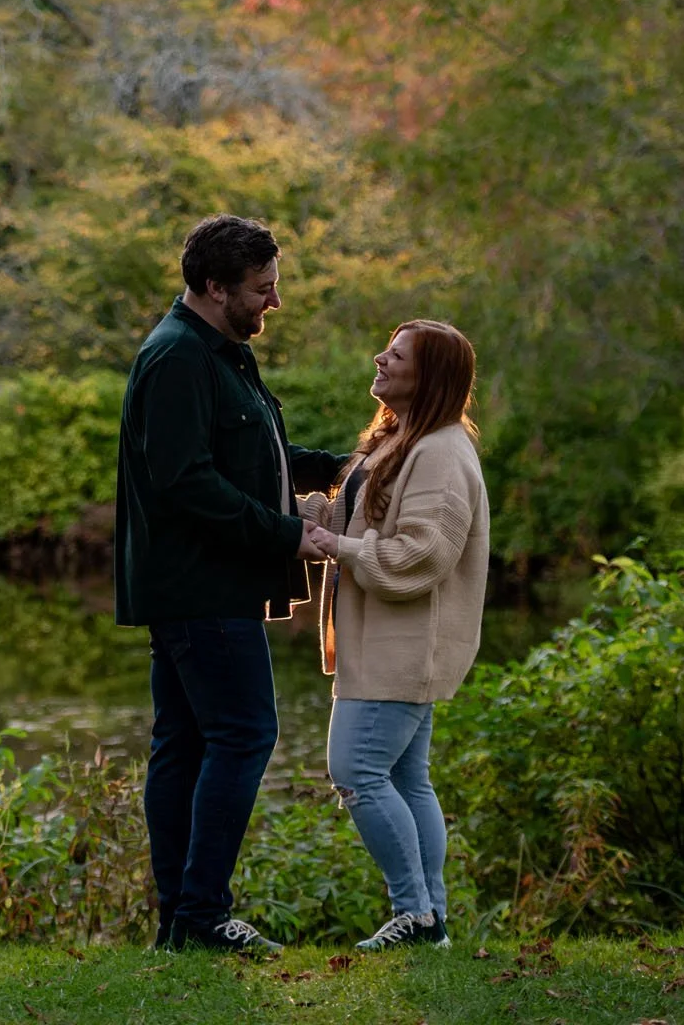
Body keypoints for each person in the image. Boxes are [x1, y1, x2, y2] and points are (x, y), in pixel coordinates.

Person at [114, 214, 346, 955]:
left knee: (183, 745)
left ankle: (182, 923)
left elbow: (254, 452)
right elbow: (185, 483)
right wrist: (287, 533)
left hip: (203, 589)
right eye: (262, 289)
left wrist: (347, 466)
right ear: (215, 287)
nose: (272, 303)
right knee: (244, 734)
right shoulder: (178, 357)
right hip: (202, 589)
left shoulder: (218, 351)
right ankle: (202, 915)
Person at [297, 319, 490, 952]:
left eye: (397, 354)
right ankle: (429, 917)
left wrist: (337, 546)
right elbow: (350, 515)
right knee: (409, 779)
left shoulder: (440, 451)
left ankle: (416, 915)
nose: (379, 358)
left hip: (403, 644)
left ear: (428, 376)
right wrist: (273, 510)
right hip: (381, 641)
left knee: (354, 769)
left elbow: (420, 555)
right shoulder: (401, 439)